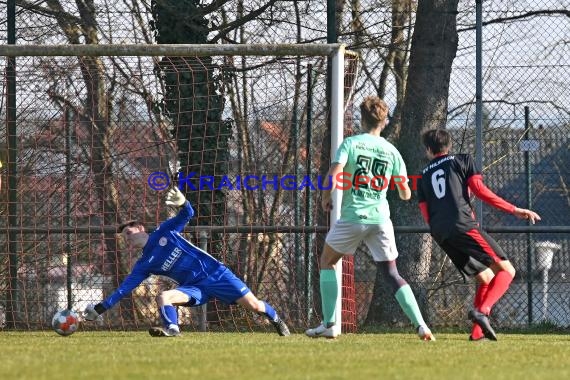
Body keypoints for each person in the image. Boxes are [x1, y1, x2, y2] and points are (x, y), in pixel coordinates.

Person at [305, 96, 435, 340]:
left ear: (361, 119)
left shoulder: (351, 144)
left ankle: (330, 323)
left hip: (353, 217)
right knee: (392, 273)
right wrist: (401, 189)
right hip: (380, 220)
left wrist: (326, 196)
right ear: (384, 122)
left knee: (327, 260)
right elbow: (405, 192)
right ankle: (421, 325)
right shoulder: (392, 151)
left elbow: (334, 173)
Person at [83, 187, 290, 337]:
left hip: (217, 274)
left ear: (140, 227)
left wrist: (183, 203)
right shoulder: (144, 264)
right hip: (194, 288)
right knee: (164, 296)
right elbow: (123, 289)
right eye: (125, 238)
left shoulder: (165, 231)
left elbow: (188, 214)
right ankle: (173, 329)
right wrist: (100, 309)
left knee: (254, 306)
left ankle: (277, 320)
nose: (127, 238)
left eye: (128, 232)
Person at [418, 129, 541, 341]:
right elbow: (480, 190)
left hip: (440, 233)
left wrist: (443, 229)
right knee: (508, 271)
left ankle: (477, 334)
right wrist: (515, 209)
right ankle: (482, 311)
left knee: (485, 277)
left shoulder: (423, 175)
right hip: (462, 225)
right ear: (449, 145)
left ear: (429, 149)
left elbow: (425, 212)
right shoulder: (462, 159)